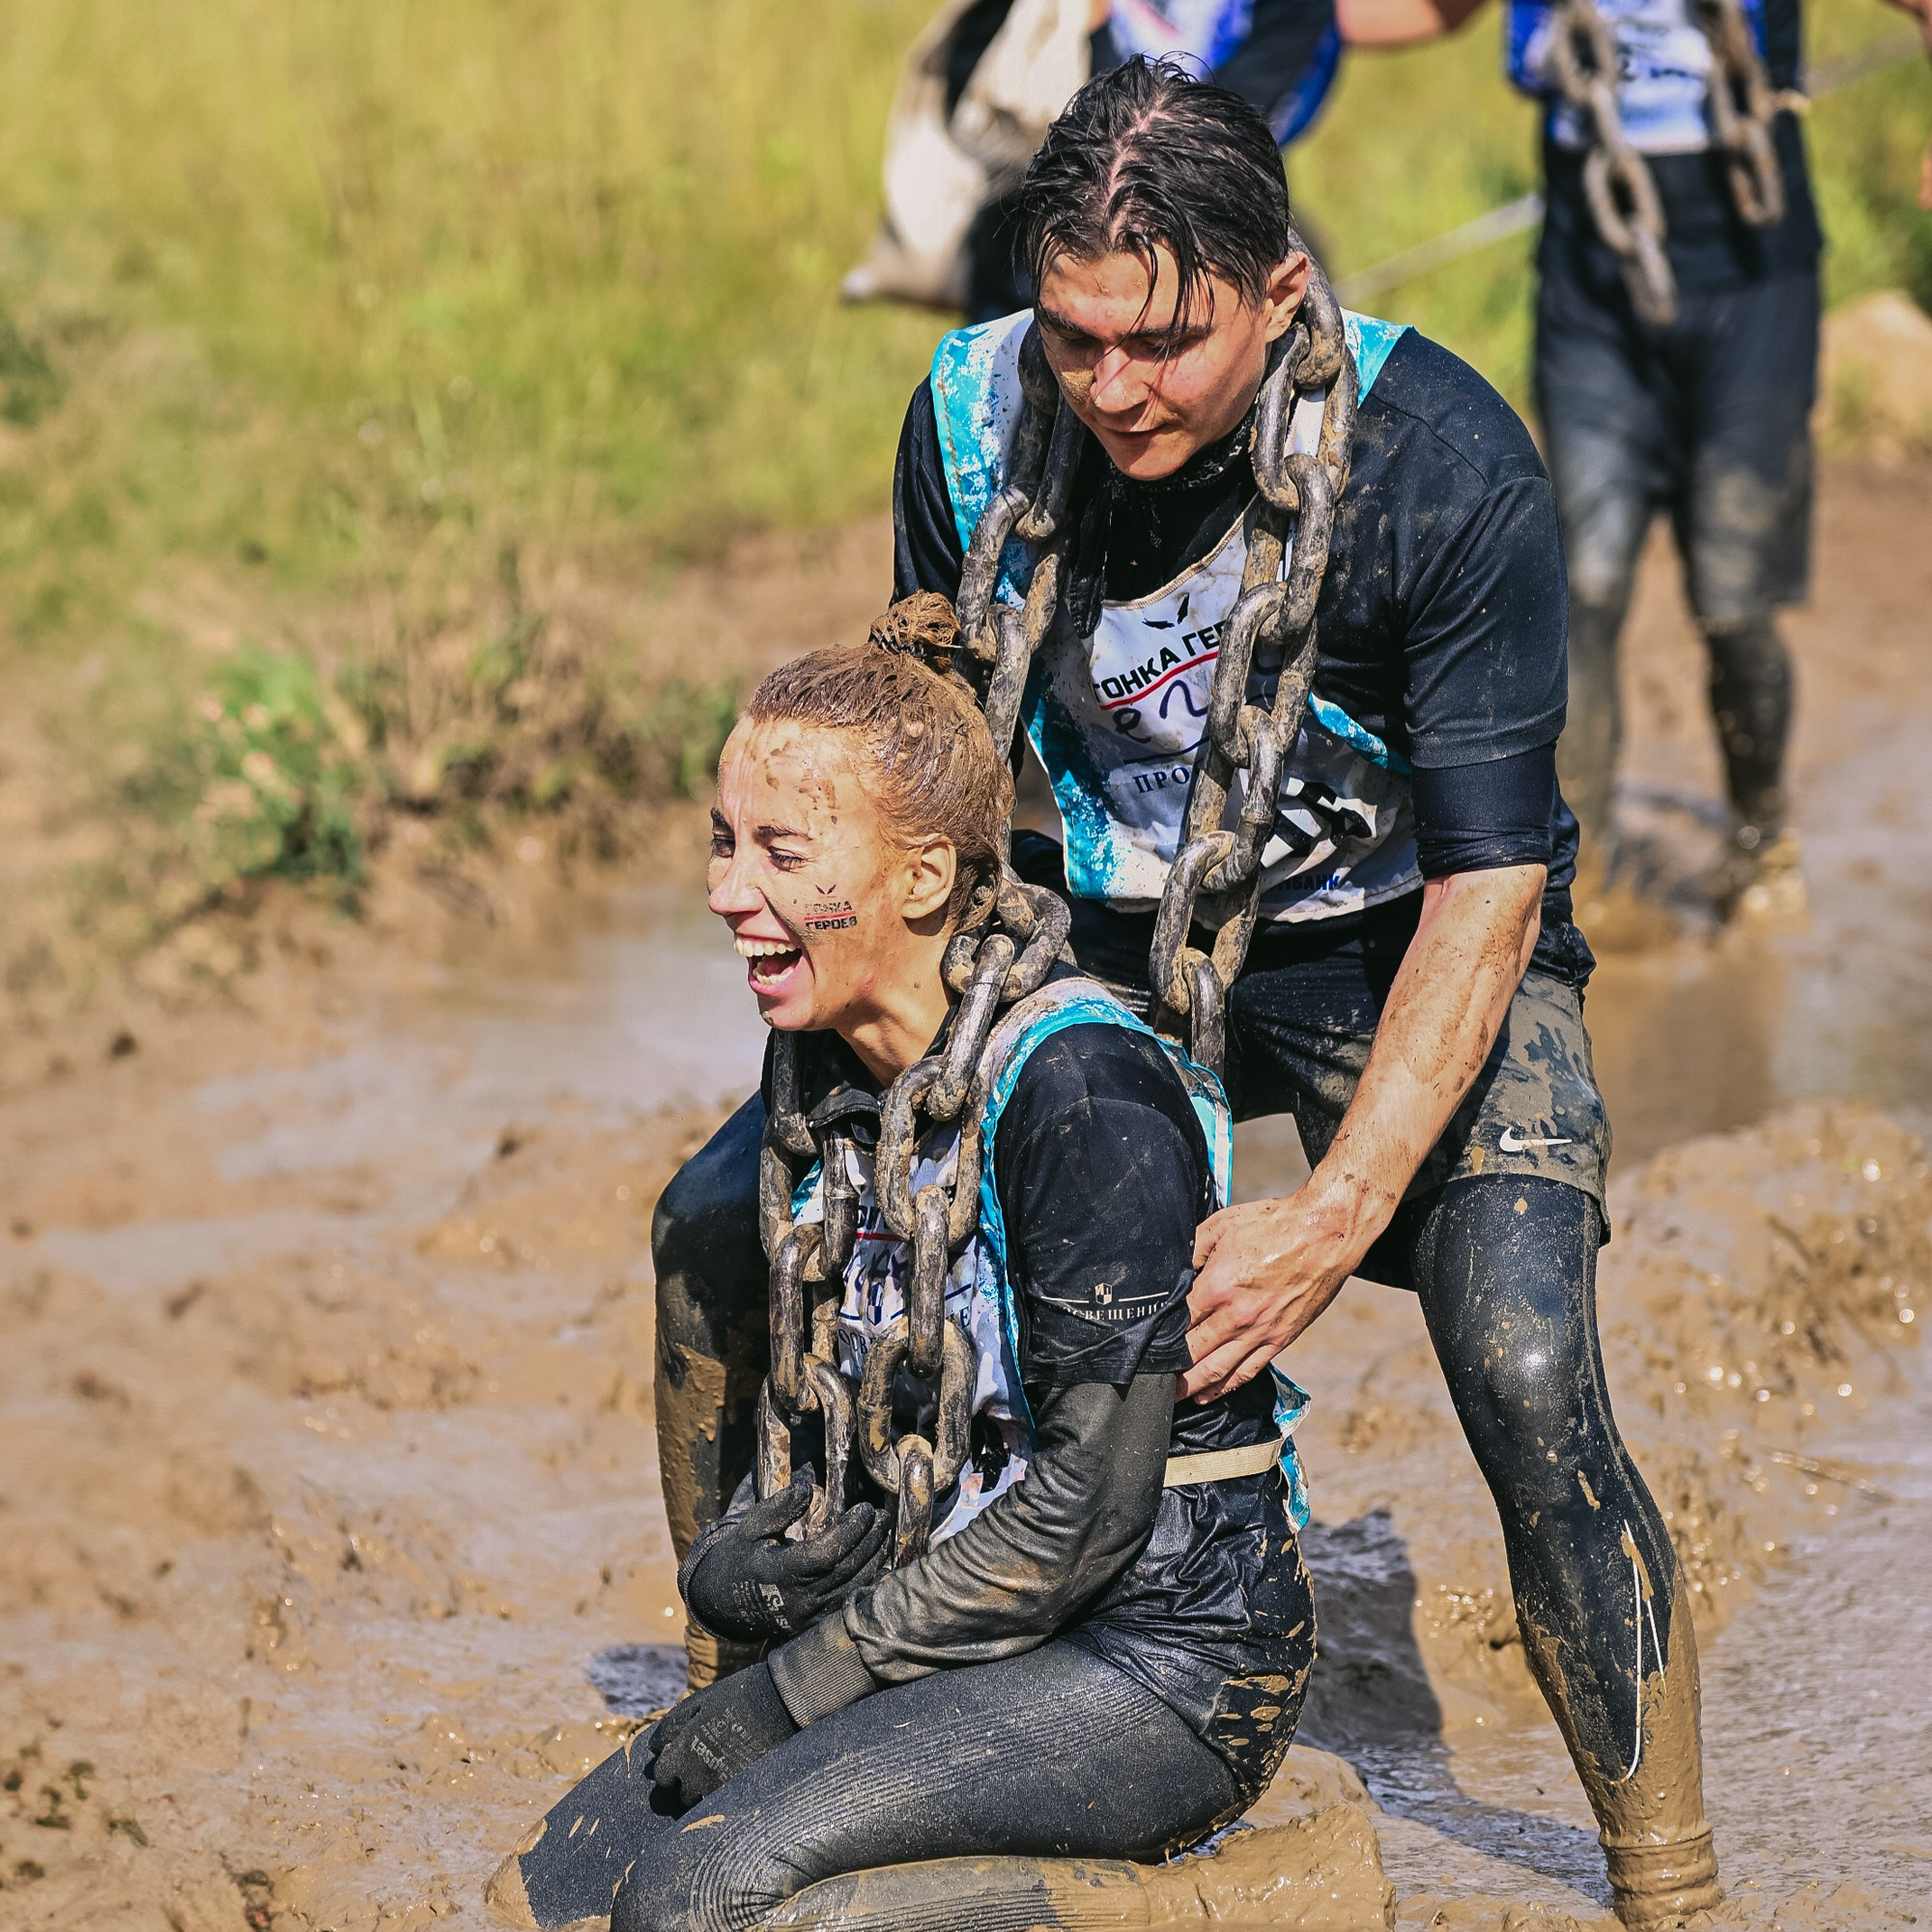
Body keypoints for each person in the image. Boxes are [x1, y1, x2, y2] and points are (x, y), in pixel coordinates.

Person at [661, 57, 1721, 1931]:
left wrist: (1325, 1217)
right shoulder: (976, 417)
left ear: (1279, 291)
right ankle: (741, 1722)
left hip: (1389, 942)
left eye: (1162, 343)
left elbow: (1492, 884)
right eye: (1075, 339)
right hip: (1073, 931)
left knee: (1529, 1360)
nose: (1112, 389)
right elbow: (935, 766)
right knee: (715, 1224)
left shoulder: (1441, 466)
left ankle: (1669, 1882)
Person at [494, 644, 1317, 1931]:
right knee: (553, 1884)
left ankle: (1204, 1910)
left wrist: (789, 1694)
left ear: (925, 877)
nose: (726, 892)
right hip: (974, 1636)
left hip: (1158, 1660)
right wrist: (748, 1579)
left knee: (708, 1898)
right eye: (723, 843)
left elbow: (1087, 1519)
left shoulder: (1080, 1096)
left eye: (783, 852)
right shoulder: (835, 1076)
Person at [1340, 0, 1932, 910]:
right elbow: (1418, 12)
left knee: (1735, 599)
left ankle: (1761, 838)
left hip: (1752, 286)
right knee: (1589, 582)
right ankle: (1579, 874)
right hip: (1593, 295)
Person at [845, 0, 1346, 323]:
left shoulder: (1293, 9)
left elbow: (1228, 139)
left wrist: (1098, 35)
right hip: (1034, 253)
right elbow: (973, 86)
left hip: (1194, 258)